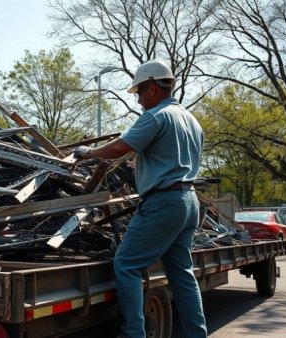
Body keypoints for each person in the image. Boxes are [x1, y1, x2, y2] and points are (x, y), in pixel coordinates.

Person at [74, 60, 207, 337]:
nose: (138, 101)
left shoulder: (156, 116)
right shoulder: (191, 120)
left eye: (139, 93)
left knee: (126, 264)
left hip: (164, 203)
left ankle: (134, 333)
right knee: (182, 273)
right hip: (189, 201)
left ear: (152, 88)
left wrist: (87, 152)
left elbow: (120, 148)